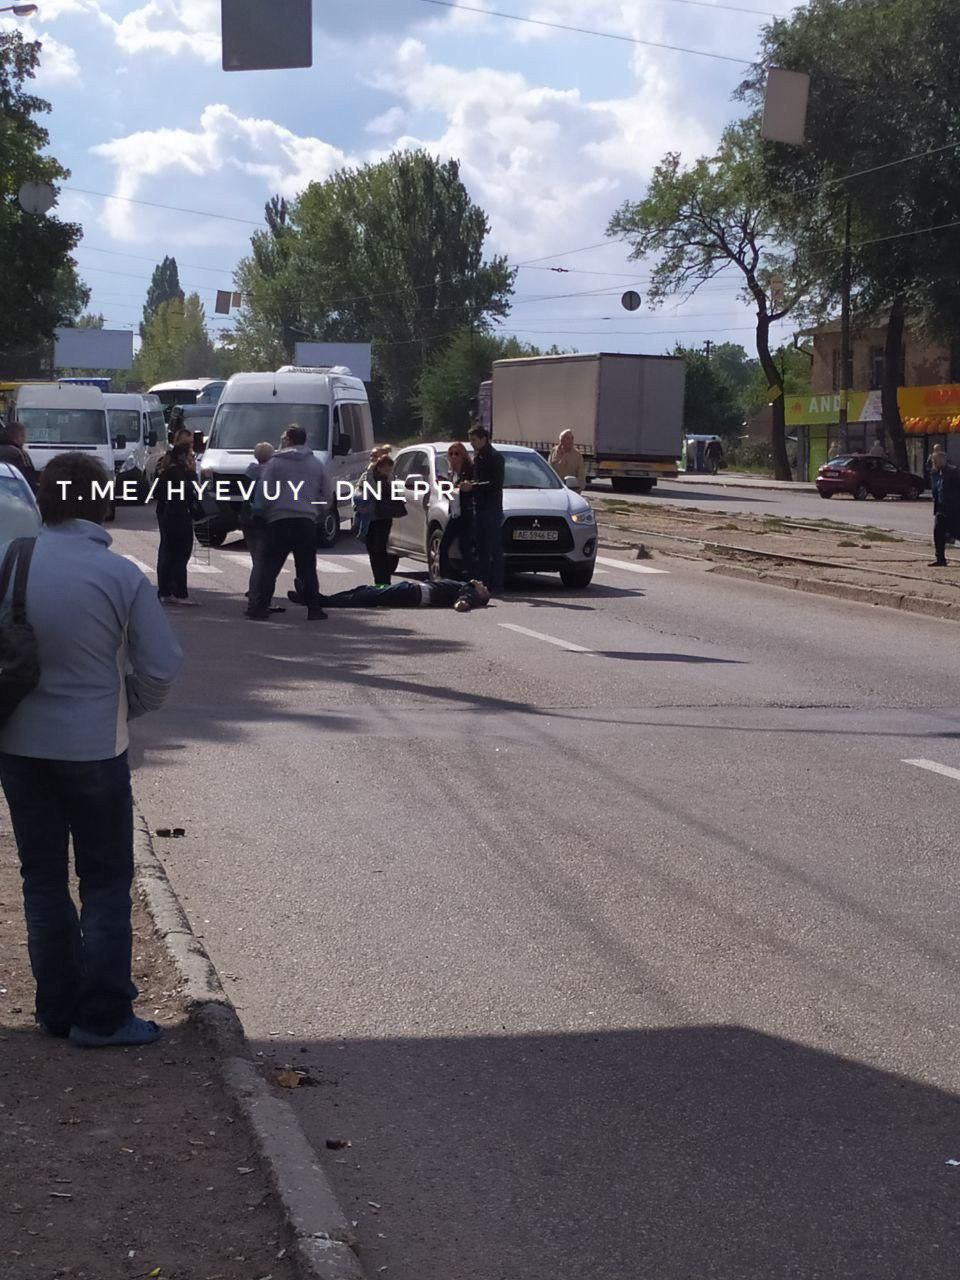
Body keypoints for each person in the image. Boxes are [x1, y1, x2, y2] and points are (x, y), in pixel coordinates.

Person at [0, 453, 182, 1048]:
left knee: (42, 878)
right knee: (104, 880)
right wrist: (125, 704)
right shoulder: (120, 575)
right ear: (99, 501)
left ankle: (55, 1009)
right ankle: (102, 1017)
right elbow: (160, 667)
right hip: (95, 749)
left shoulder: (13, 561)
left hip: (20, 747)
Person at [246, 424, 328, 621]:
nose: (281, 440)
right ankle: (314, 609)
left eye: (284, 437)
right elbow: (326, 493)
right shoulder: (316, 464)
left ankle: (260, 606)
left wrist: (264, 511)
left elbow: (265, 493)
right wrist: (317, 511)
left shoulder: (275, 463)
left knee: (270, 567)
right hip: (306, 521)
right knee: (308, 567)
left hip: (279, 520)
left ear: (290, 439)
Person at [155, 433, 200, 606]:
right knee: (180, 554)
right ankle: (179, 593)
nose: (193, 459)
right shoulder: (178, 472)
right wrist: (192, 474)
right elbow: (192, 491)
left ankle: (167, 591)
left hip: (168, 513)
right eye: (191, 456)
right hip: (178, 515)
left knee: (168, 552)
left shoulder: (166, 469)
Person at [290, 577, 490, 612]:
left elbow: (464, 602)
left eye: (484, 588)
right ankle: (314, 597)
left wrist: (464, 603)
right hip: (409, 590)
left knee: (365, 597)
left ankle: (315, 599)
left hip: (412, 593)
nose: (482, 584)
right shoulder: (465, 584)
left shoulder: (468, 590)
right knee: (363, 591)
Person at [355, 448, 405, 586]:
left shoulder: (387, 478)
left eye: (375, 457)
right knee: (372, 550)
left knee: (379, 550)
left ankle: (384, 582)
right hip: (369, 518)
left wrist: (371, 473)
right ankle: (379, 582)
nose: (372, 459)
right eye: (372, 456)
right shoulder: (367, 475)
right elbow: (359, 489)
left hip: (383, 518)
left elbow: (375, 491)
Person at [464, 423, 505, 593]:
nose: (472, 443)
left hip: (492, 507)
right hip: (479, 506)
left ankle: (497, 584)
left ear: (483, 439)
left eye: (474, 440)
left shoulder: (495, 457)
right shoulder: (478, 456)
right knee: (481, 548)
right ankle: (483, 583)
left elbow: (496, 483)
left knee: (494, 548)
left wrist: (474, 487)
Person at [240, 441, 276, 607]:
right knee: (263, 561)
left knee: (256, 558)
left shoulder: (248, 473)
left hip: (246, 518)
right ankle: (257, 594)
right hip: (262, 519)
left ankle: (254, 589)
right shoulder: (268, 475)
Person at [438, 442, 475, 579]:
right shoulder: (450, 472)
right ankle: (443, 578)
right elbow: (452, 494)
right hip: (455, 513)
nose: (453, 456)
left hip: (467, 513)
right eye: (451, 454)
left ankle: (471, 579)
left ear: (463, 455)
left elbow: (472, 488)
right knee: (445, 545)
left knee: (465, 547)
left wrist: (467, 487)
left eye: (457, 453)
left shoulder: (469, 470)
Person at [928, 447, 960, 567]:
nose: (933, 464)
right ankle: (940, 558)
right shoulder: (936, 473)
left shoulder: (953, 471)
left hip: (953, 508)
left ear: (941, 460)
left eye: (934, 461)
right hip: (940, 508)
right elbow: (937, 489)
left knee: (956, 532)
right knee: (938, 532)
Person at [0, 420, 39, 492]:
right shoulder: (20, 454)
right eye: (23, 436)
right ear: (18, 437)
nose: (24, 440)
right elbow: (29, 480)